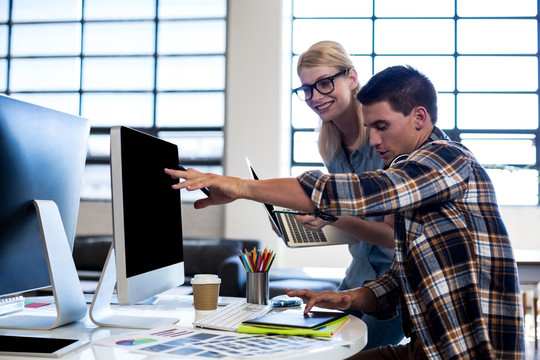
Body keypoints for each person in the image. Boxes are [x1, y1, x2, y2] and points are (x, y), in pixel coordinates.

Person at [165, 65, 525, 359]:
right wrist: (347, 298)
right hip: (426, 348)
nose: (373, 140)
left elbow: (355, 191)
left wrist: (242, 187)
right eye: (370, 129)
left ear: (419, 118)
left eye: (382, 126)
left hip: (468, 352)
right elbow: (400, 281)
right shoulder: (417, 187)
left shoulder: (449, 158)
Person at [291, 40, 403, 348]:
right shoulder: (330, 144)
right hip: (358, 272)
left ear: (351, 78)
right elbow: (353, 226)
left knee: (354, 352)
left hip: (395, 281)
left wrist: (331, 217)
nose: (315, 97)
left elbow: (392, 237)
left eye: (324, 84)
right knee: (307, 342)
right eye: (307, 89)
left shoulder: (386, 142)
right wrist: (305, 225)